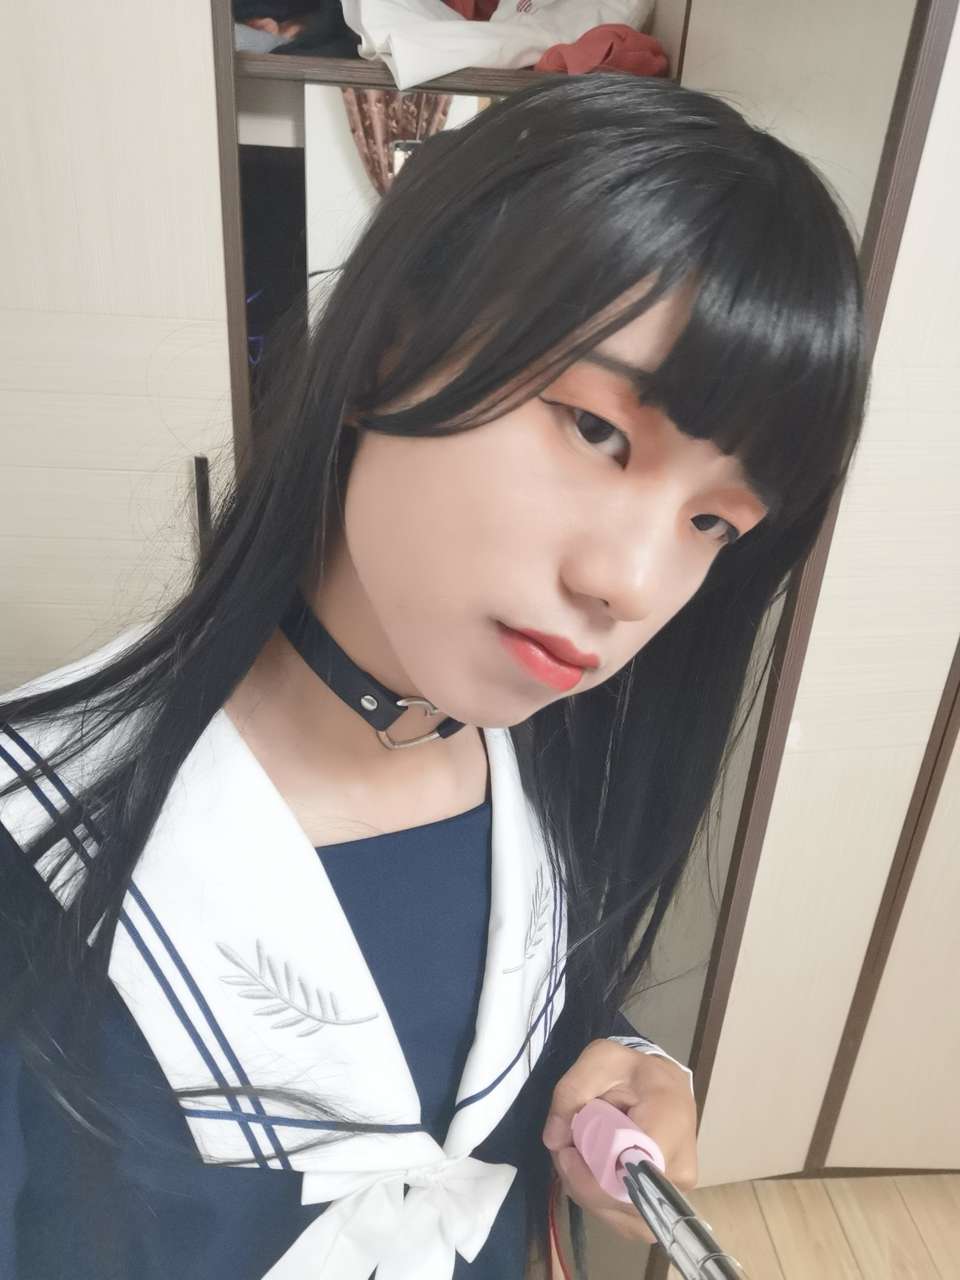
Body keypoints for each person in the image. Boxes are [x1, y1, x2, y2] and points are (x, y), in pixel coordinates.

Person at [0, 73, 865, 1280]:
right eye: (597, 430)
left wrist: (624, 1065)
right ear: (391, 345)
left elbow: (487, 1024)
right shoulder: (36, 841)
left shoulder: (549, 764)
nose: (629, 582)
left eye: (714, 523)